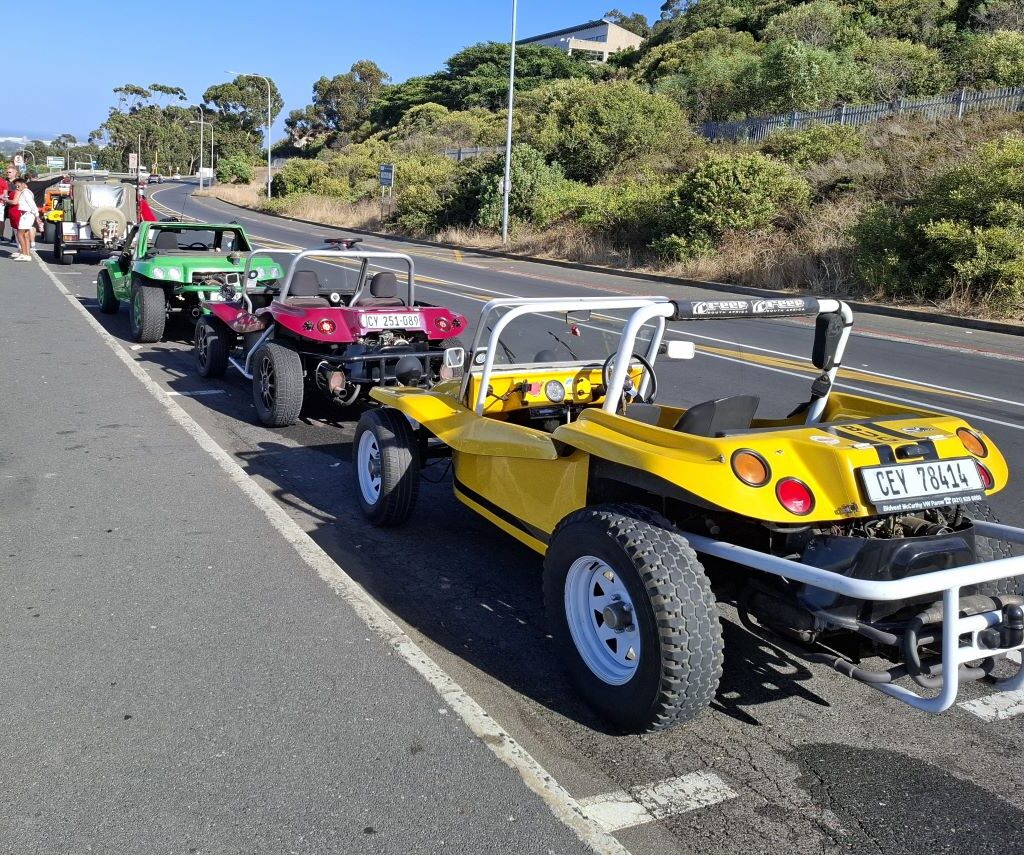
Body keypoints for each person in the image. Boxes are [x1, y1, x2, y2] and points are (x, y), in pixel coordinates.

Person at [10, 178, 37, 261]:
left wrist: (37, 215)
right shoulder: (26, 192)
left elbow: (32, 204)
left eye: (18, 186)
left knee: (19, 234)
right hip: (27, 215)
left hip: (27, 215)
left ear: (23, 184)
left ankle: (24, 253)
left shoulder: (25, 192)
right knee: (25, 235)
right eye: (16, 186)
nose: (17, 188)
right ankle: (27, 254)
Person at [2, 164, 17, 244]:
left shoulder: (18, 182)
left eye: (10, 172)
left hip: (13, 204)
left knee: (13, 220)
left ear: (15, 172)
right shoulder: (4, 181)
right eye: (7, 172)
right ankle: (1, 236)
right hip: (4, 204)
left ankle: (14, 236)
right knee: (1, 220)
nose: (8, 174)